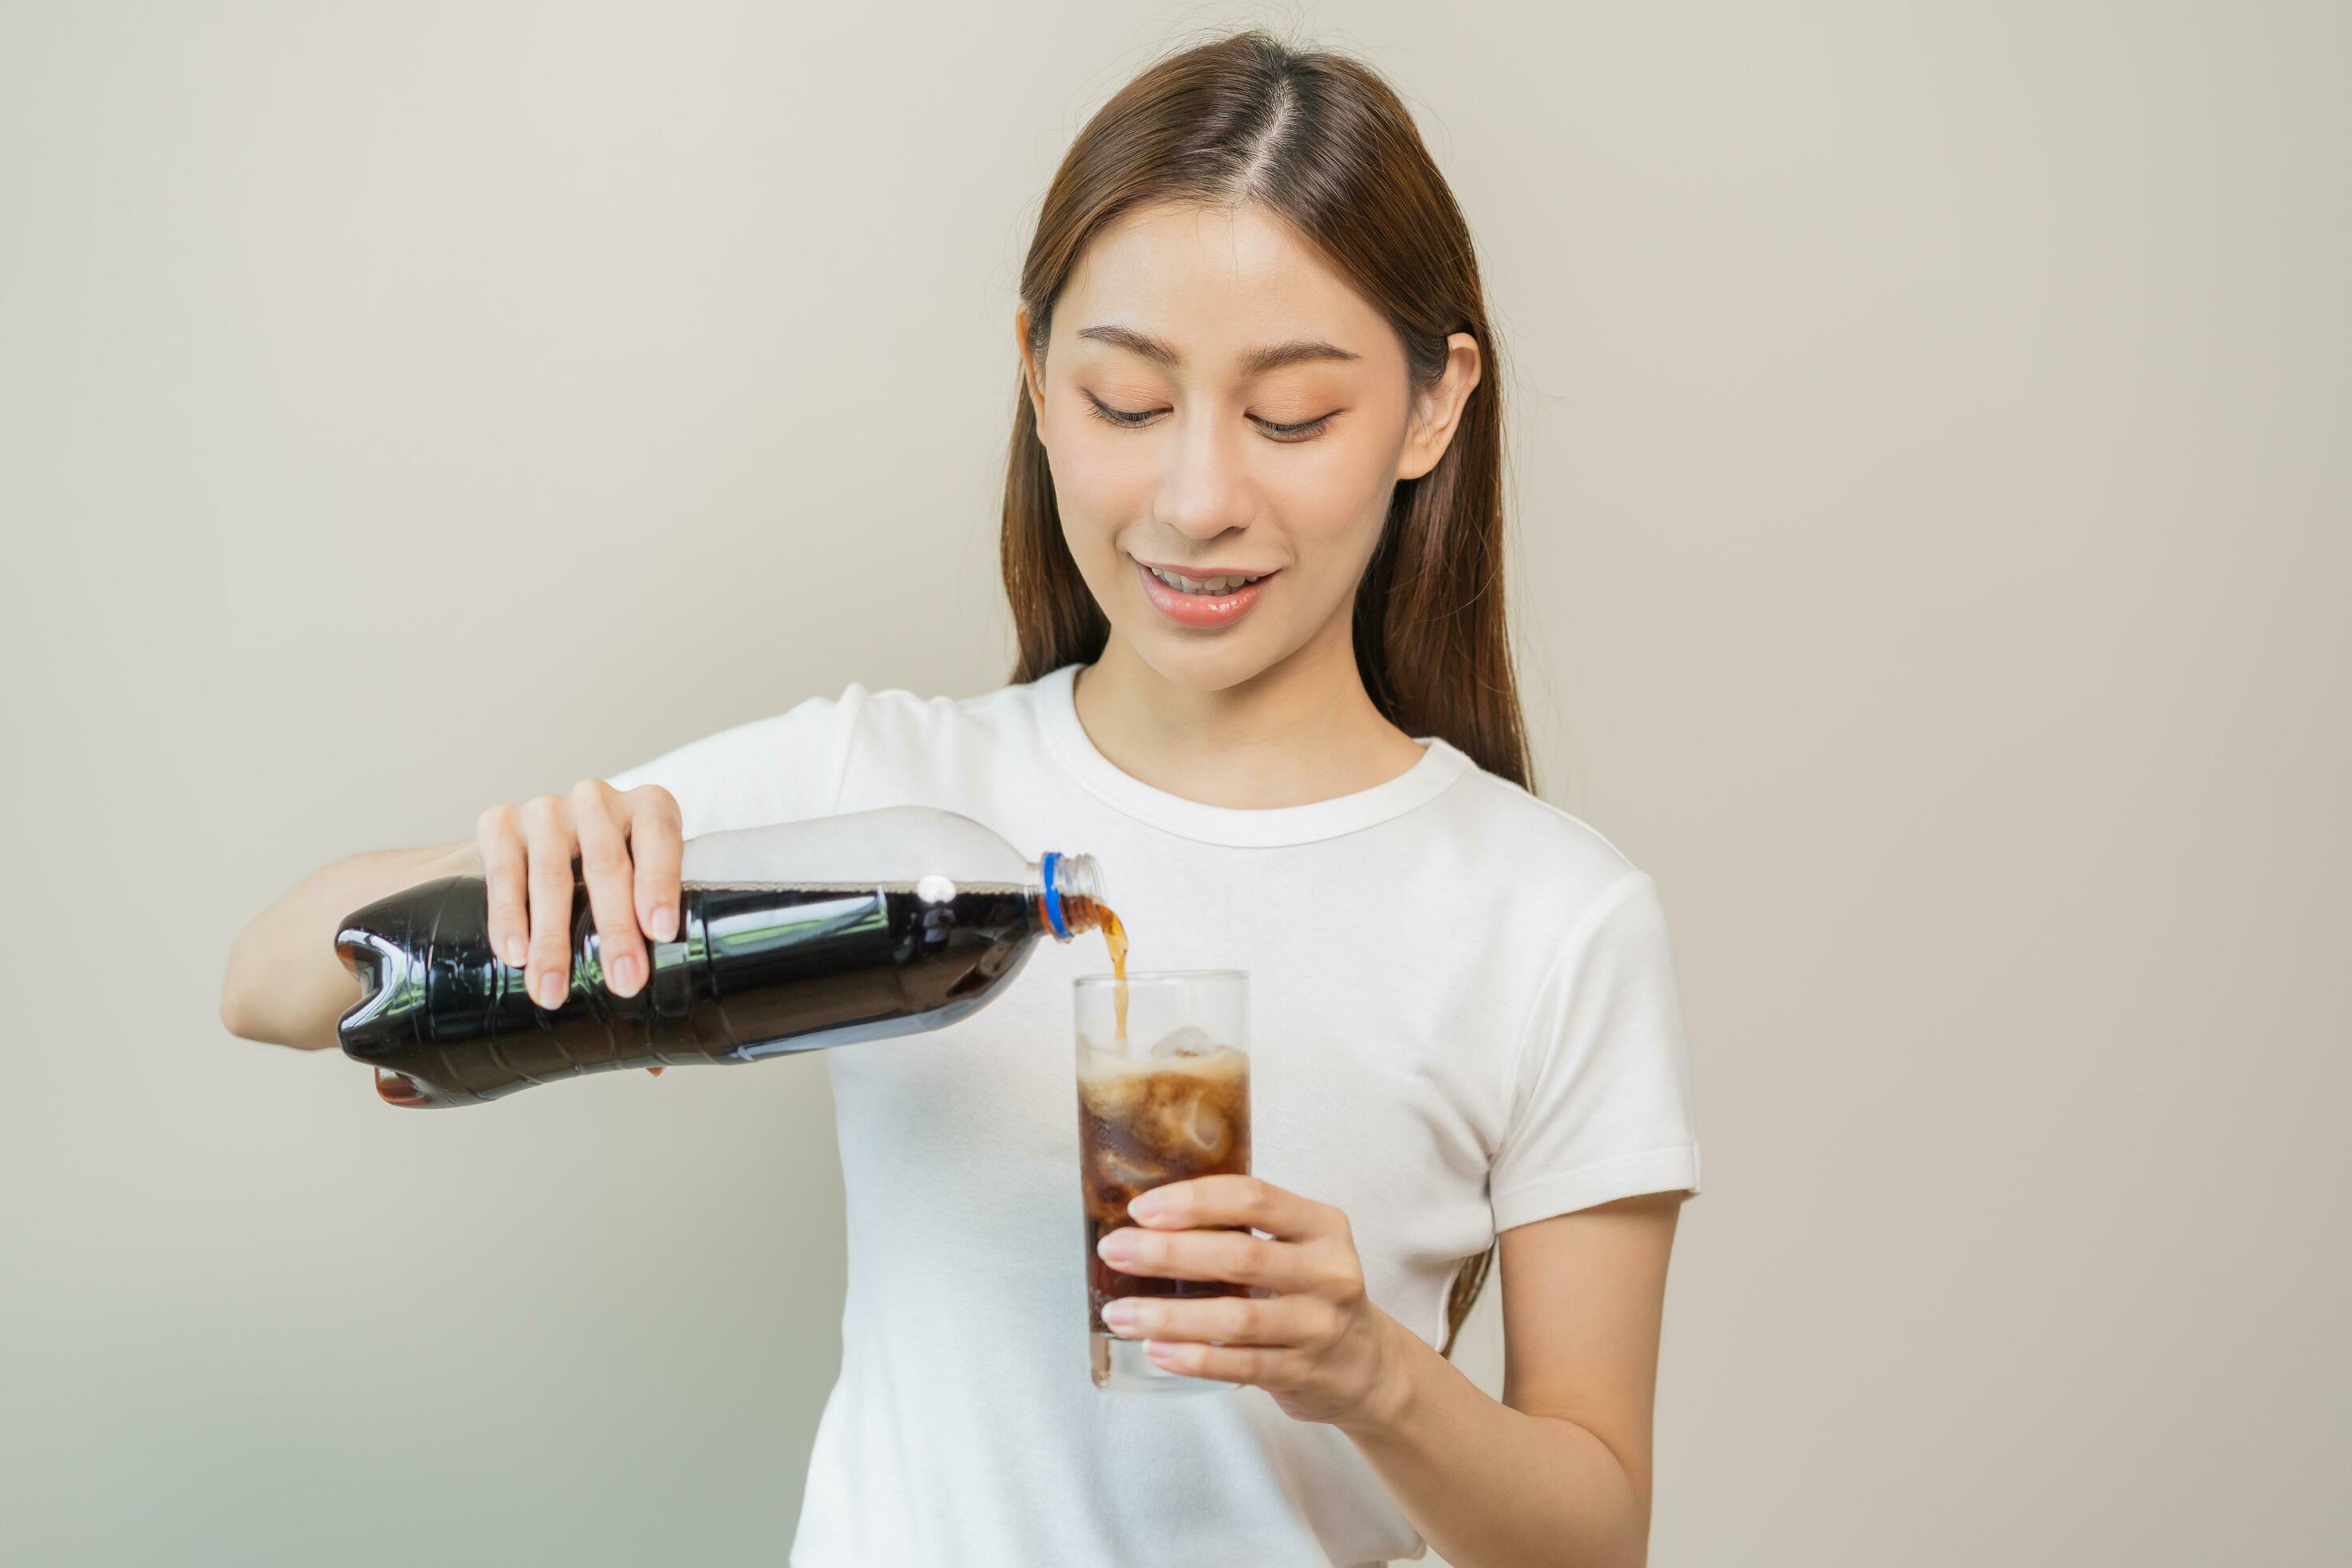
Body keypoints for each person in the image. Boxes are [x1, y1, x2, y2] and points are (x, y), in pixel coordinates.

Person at [221, 28, 1702, 1568]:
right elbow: (267, 983)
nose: (1198, 499)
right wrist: (519, 870)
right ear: (1039, 387)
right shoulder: (885, 794)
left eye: (1291, 418)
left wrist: (1372, 1374)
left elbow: (1590, 1536)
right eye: (1128, 402)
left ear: (1430, 408)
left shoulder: (1551, 917)